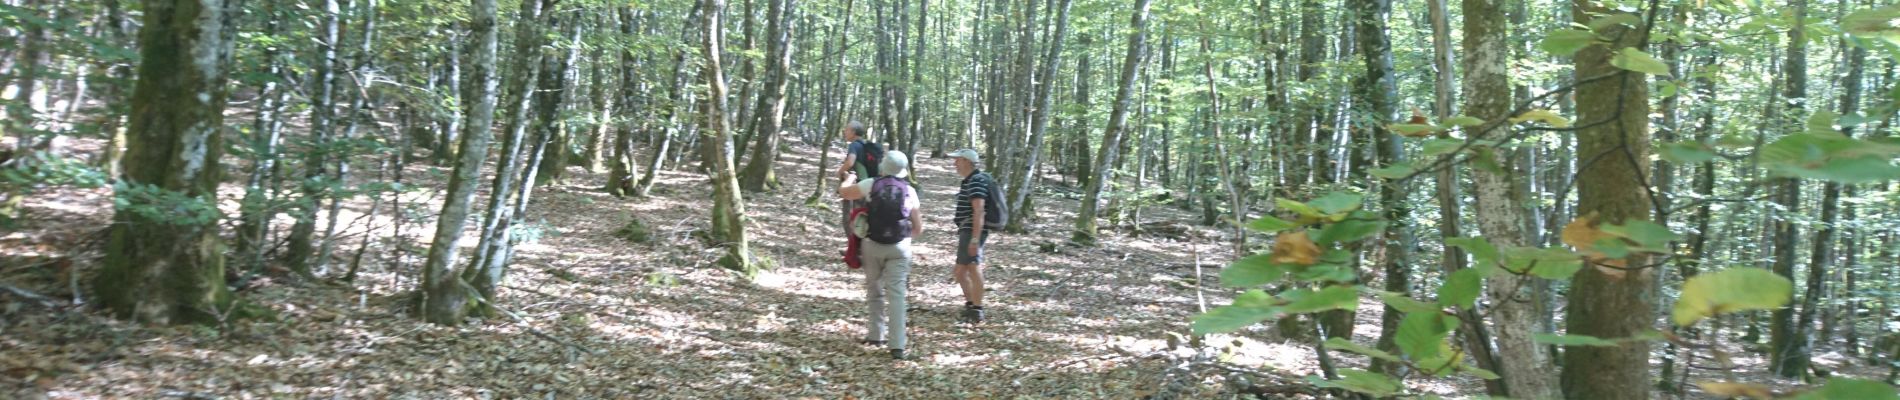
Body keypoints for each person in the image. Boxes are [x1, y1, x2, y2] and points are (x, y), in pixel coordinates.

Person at [838, 150, 923, 360]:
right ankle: (897, 346)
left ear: (884, 166)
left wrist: (848, 178)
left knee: (874, 290)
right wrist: (904, 238)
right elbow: (918, 228)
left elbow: (844, 193)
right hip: (900, 248)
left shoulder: (870, 184)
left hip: (872, 244)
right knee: (897, 295)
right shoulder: (910, 191)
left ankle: (876, 335)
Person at [947, 149, 997, 324]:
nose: (955, 163)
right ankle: (971, 305)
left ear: (967, 161)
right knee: (960, 271)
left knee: (973, 267)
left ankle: (977, 309)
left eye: (958, 160)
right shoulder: (970, 180)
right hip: (966, 230)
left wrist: (975, 239)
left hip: (971, 230)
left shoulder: (976, 181)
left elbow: (979, 210)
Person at [834, 122, 875, 235]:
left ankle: (854, 250)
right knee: (862, 219)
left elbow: (850, 161)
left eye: (846, 130)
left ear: (853, 132)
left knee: (850, 219)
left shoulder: (854, 145)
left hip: (856, 185)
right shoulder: (867, 145)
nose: (844, 132)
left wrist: (840, 171)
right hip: (870, 186)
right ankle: (859, 249)